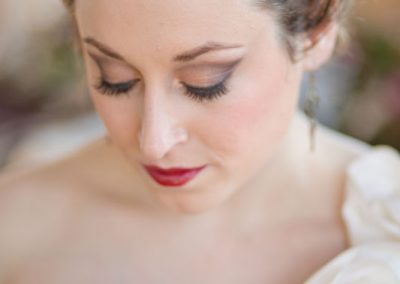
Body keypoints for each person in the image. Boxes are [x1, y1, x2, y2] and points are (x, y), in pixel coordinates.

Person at [0, 0, 399, 283]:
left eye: (204, 84)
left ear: (315, 29)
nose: (153, 142)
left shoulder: (386, 233)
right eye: (115, 79)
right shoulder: (17, 220)